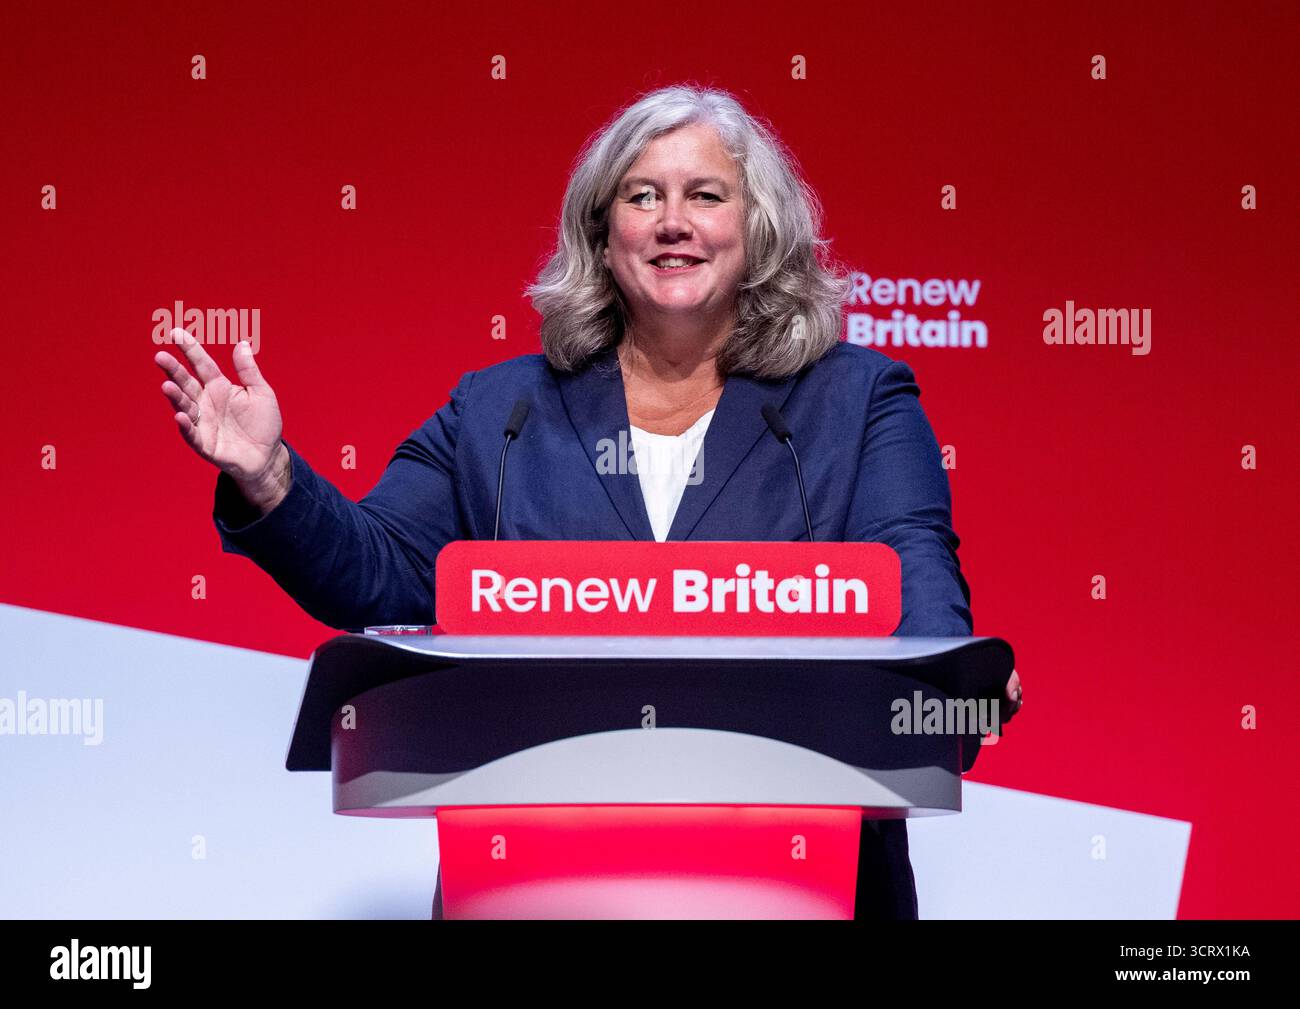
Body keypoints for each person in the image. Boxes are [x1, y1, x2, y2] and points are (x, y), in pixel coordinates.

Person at [154, 83, 1021, 919]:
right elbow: (375, 568)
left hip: (809, 886)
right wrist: (269, 477)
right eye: (643, 196)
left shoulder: (855, 401)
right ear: (604, 237)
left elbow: (916, 581)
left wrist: (957, 684)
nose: (673, 220)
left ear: (754, 232)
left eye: (705, 194)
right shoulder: (502, 412)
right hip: (539, 887)